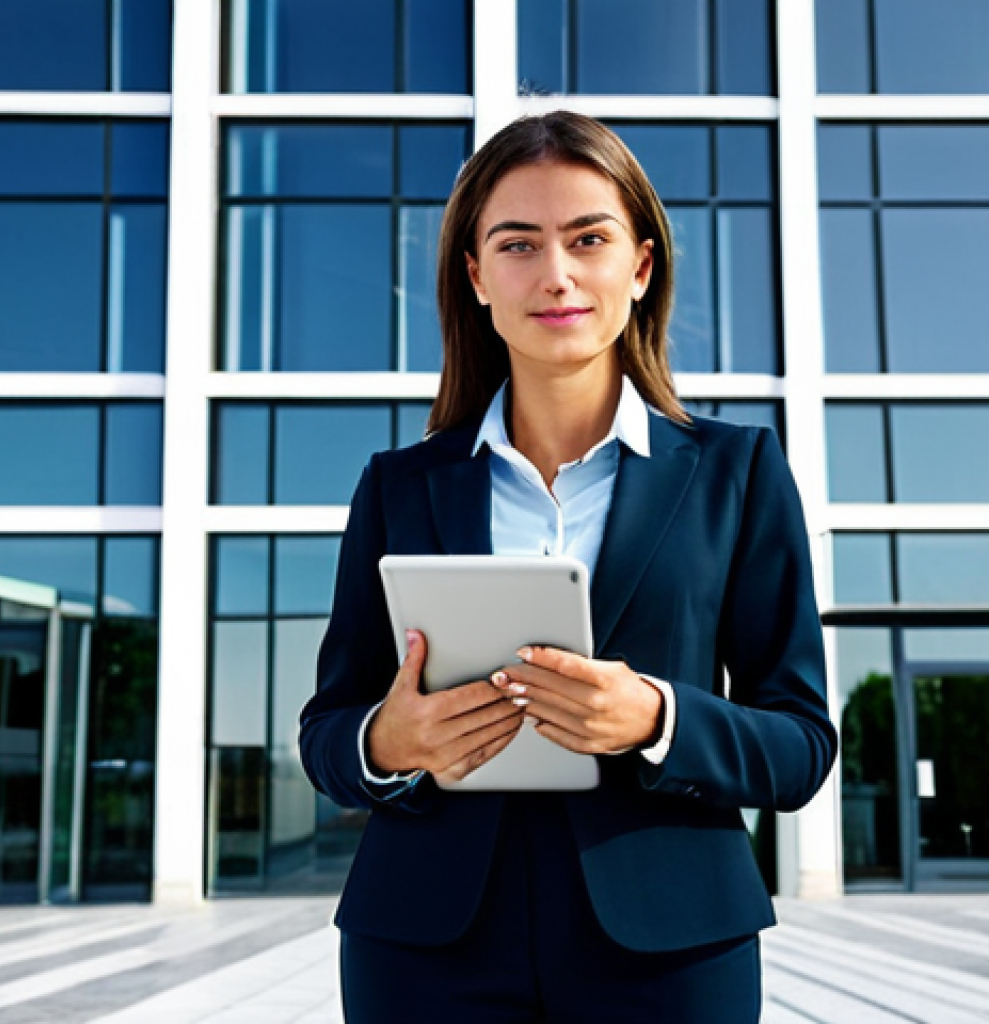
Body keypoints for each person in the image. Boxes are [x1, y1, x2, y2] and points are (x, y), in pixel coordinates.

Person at [299, 111, 837, 1023]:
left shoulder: (738, 473)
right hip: (425, 944)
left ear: (640, 267)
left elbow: (800, 744)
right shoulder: (397, 486)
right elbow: (328, 730)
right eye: (518, 245)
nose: (555, 274)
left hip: (671, 944)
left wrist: (656, 718)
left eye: (589, 238)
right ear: (476, 276)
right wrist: (390, 743)